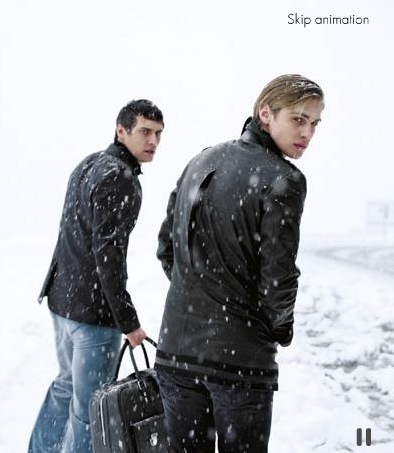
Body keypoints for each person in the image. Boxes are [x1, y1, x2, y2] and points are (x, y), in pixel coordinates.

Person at [154, 74, 324, 453]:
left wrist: (200, 295)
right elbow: (278, 277)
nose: (307, 133)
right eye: (298, 119)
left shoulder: (200, 160)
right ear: (265, 113)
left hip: (176, 353)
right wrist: (279, 328)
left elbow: (167, 247)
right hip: (239, 362)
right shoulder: (284, 179)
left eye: (314, 123)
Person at [28, 99, 164, 453]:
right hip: (91, 314)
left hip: (63, 302)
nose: (153, 141)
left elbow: (72, 235)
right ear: (121, 131)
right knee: (90, 409)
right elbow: (109, 256)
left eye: (158, 133)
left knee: (65, 387)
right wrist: (128, 322)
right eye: (145, 131)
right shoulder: (121, 178)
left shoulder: (88, 164)